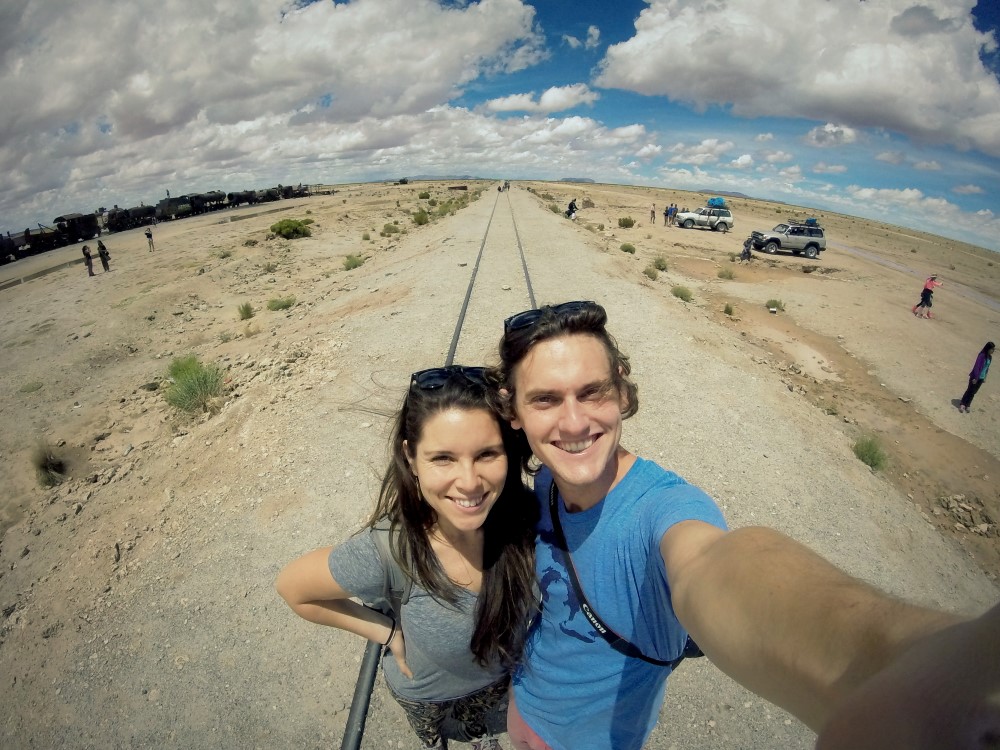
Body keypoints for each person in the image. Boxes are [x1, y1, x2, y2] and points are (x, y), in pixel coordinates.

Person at [487, 301, 999, 750]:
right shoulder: (547, 481)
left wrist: (903, 666)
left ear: (621, 390)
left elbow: (712, 565)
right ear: (515, 412)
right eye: (545, 400)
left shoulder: (662, 509)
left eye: (592, 392)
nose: (574, 423)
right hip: (525, 708)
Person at [276, 366, 538, 750]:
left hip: (500, 682)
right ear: (411, 458)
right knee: (436, 737)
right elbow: (293, 589)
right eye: (443, 458)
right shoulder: (390, 552)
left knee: (482, 730)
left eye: (486, 454)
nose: (469, 481)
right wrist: (385, 631)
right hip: (426, 696)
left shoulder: (530, 523)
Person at [958, 341, 994, 413]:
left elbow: (987, 368)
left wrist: (985, 377)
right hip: (975, 377)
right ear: (988, 348)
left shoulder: (990, 357)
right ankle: (962, 403)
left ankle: (968, 404)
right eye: (992, 349)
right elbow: (976, 367)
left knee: (974, 392)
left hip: (981, 378)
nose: (993, 350)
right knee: (969, 390)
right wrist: (975, 378)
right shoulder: (981, 356)